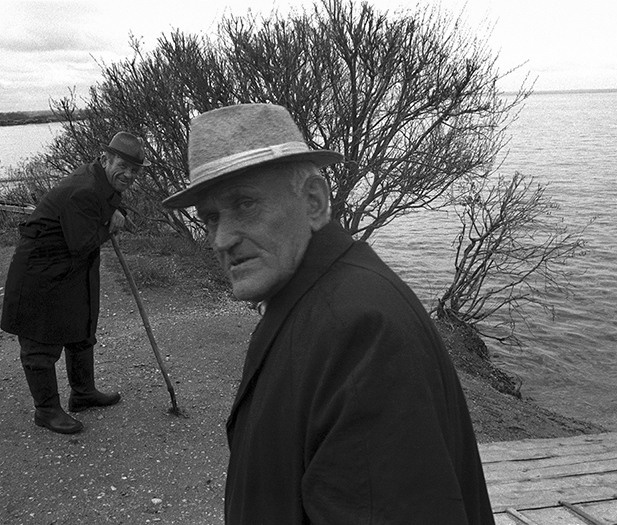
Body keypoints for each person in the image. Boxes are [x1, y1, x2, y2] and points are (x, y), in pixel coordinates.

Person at [163, 104, 495, 524]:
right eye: (210, 217)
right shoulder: (313, 302)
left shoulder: (358, 331)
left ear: (314, 202)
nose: (221, 239)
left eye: (245, 204)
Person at [1, 131, 150, 435]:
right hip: (40, 268)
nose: (129, 175)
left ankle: (82, 393)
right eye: (124, 165)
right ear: (105, 158)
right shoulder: (83, 188)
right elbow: (82, 242)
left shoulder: (102, 179)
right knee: (40, 341)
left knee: (81, 326)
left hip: (69, 264)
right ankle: (46, 411)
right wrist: (112, 226)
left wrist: (116, 214)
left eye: (135, 170)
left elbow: (103, 210)